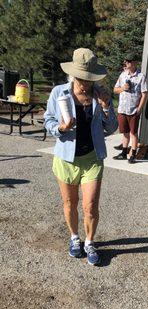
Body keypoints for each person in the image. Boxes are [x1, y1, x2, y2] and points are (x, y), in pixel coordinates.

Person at [44, 48, 118, 266]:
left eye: (90, 79)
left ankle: (89, 242)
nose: (87, 83)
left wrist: (106, 107)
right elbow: (48, 121)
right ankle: (75, 238)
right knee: (69, 202)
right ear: (74, 75)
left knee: (91, 205)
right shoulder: (59, 92)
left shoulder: (100, 94)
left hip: (92, 158)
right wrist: (61, 128)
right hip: (66, 158)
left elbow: (111, 128)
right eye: (83, 78)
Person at [113, 53, 148, 163]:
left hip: (133, 110)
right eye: (126, 61)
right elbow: (115, 90)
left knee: (133, 133)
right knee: (125, 132)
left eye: (128, 61)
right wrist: (123, 88)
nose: (126, 63)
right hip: (122, 109)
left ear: (134, 63)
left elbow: (144, 94)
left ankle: (133, 153)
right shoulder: (123, 75)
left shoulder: (141, 77)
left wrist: (139, 108)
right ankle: (124, 152)